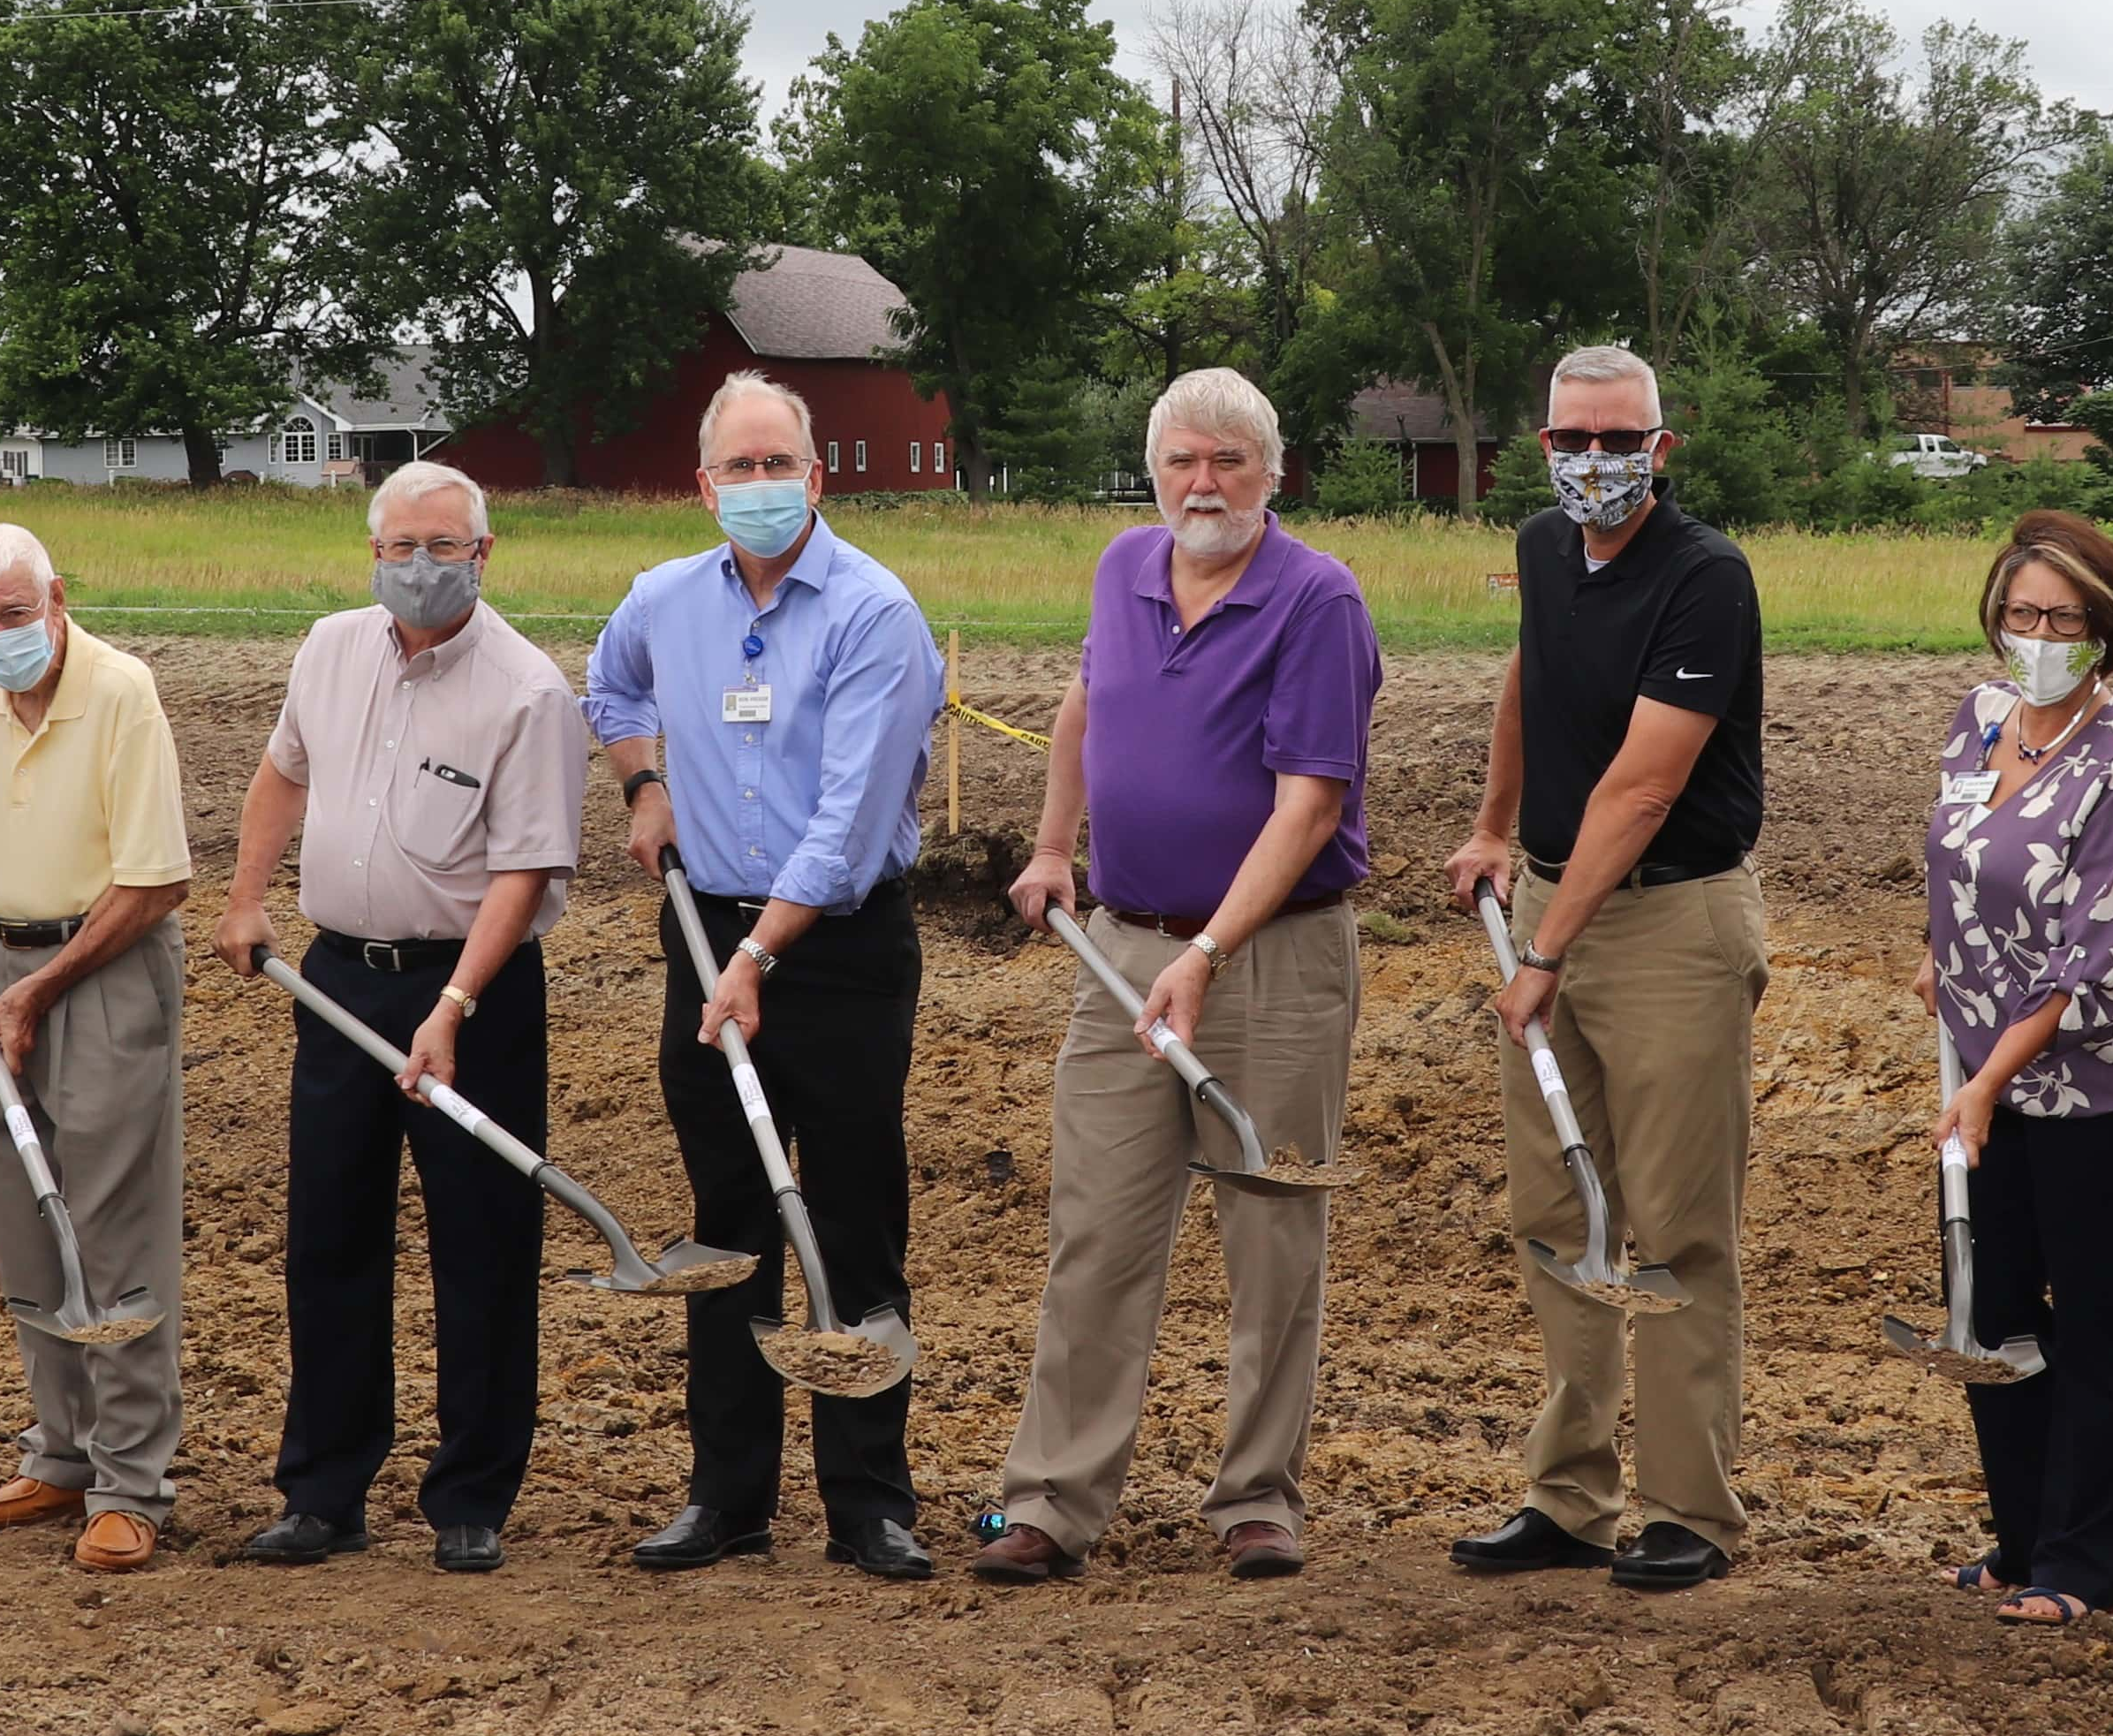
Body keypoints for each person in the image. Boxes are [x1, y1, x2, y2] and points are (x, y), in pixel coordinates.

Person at [979, 369, 1382, 1587]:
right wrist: (1053, 848)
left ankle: (1259, 1498)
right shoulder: (1122, 568)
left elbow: (1311, 807)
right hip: (1121, 949)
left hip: (1271, 956)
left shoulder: (1318, 600)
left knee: (1271, 1230)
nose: (1204, 484)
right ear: (1153, 471)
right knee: (1095, 1230)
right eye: (1183, 463)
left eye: (1230, 462)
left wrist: (1210, 954)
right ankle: (1048, 1500)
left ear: (1273, 471)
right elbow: (1083, 708)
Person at [584, 369, 943, 1583]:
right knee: (729, 1226)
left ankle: (869, 1502)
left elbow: (847, 825)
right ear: (703, 486)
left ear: (816, 476)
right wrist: (645, 786)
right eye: (735, 468)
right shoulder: (663, 599)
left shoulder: (875, 614)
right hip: (705, 935)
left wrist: (756, 958)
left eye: (775, 464)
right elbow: (610, 686)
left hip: (835, 952)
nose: (756, 486)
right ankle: (728, 1496)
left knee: (848, 1216)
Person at [215, 461, 587, 1576]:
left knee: (481, 1243)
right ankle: (324, 1490)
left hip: (472, 990)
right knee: (330, 1233)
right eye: (400, 548)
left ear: (485, 555)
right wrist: (245, 896)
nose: (419, 568)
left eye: (443, 548)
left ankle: (471, 1495)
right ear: (371, 552)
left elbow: (524, 871)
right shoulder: (329, 648)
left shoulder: (529, 691)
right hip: (335, 982)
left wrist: (454, 1005)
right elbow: (283, 775)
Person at [1442, 345, 1769, 1593]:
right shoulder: (1540, 550)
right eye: (1572, 441)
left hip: (1669, 922)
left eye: (1617, 441)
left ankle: (1692, 1509)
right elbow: (1530, 680)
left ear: (1660, 450)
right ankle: (1568, 1498)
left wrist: (1542, 952)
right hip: (1547, 896)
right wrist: (1491, 825)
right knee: (1559, 1212)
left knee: (1678, 1225)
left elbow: (1642, 788)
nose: (1594, 462)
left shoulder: (1704, 579)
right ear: (1542, 449)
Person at [1912, 512, 2113, 1626]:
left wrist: (1986, 1083)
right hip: (1990, 1051)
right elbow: (1960, 866)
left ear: (2105, 631)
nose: (2037, 633)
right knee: (1993, 1306)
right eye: (2022, 611)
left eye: (2064, 618)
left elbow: (2090, 954)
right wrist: (1940, 963)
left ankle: (2081, 1565)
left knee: (2092, 1311)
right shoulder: (1978, 720)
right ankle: (2019, 1539)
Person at [0, 522, 194, 1577]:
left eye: (13, 614)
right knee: (25, 1200)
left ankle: (132, 1481)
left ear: (57, 598)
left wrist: (38, 988)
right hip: (0, 958)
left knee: (114, 1218)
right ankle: (61, 1451)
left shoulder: (121, 692)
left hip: (107, 964)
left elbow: (157, 880)